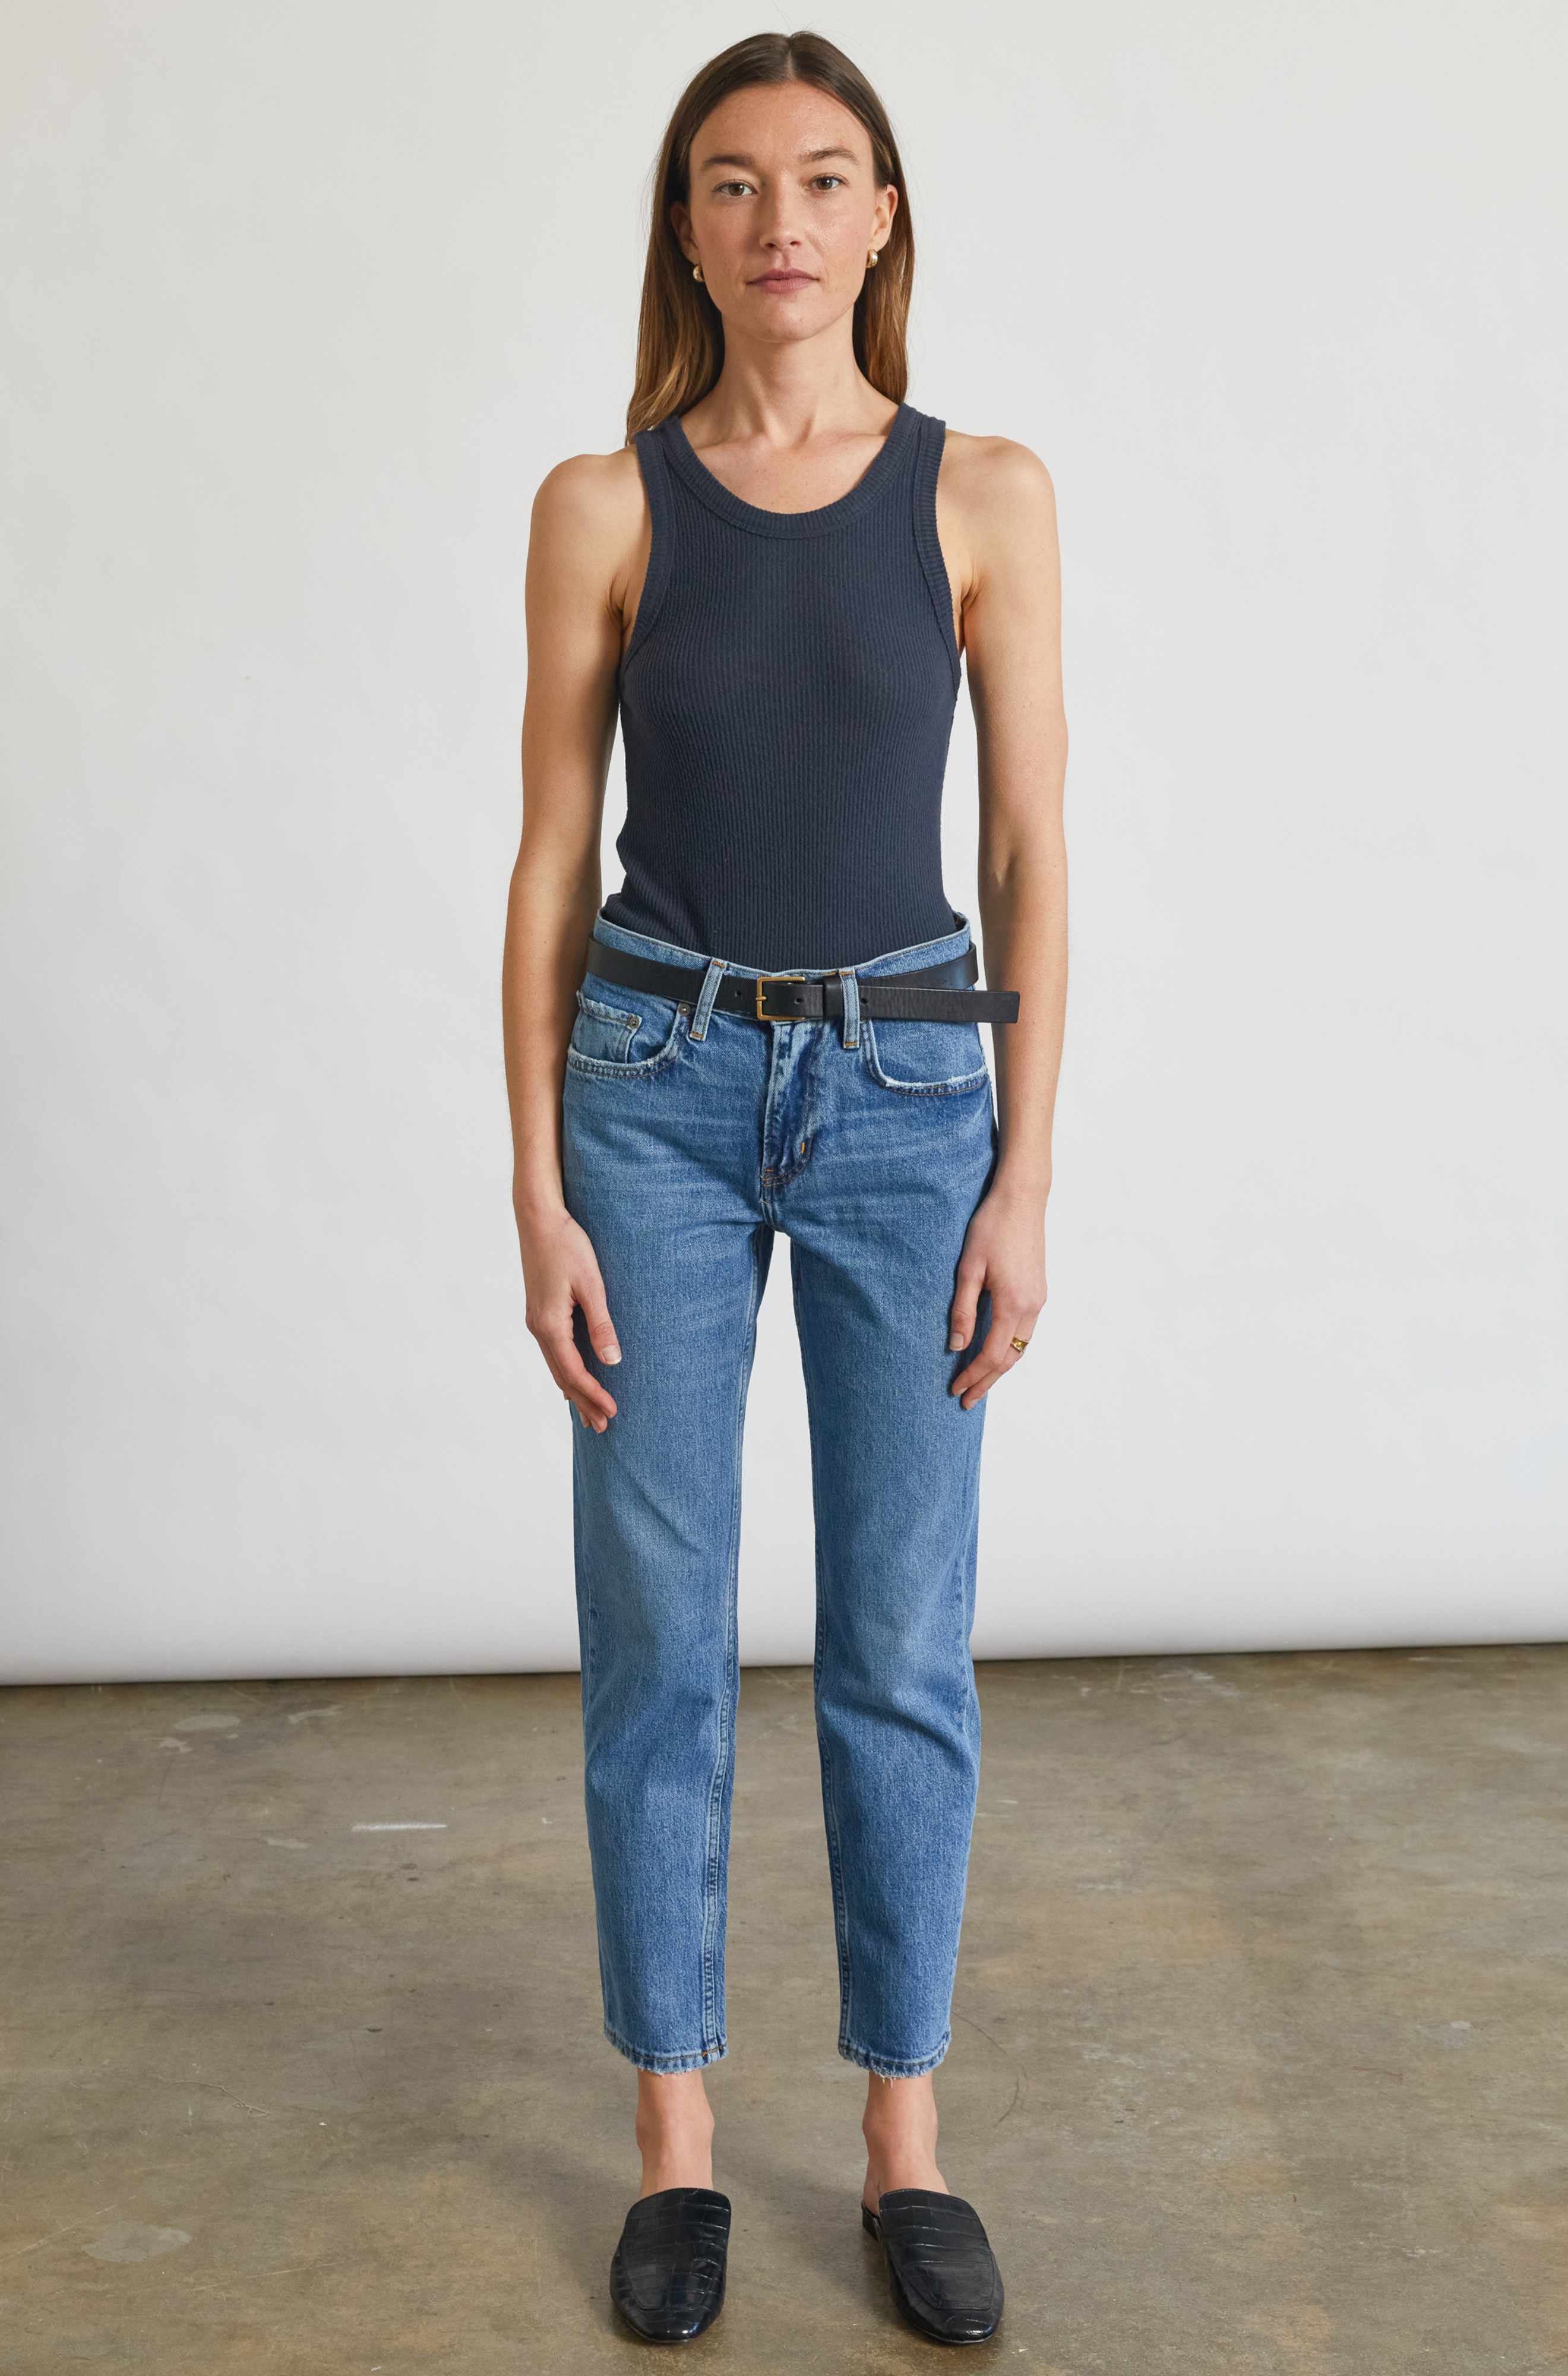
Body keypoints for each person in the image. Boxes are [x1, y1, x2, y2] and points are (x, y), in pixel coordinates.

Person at [502, 28, 1067, 2347]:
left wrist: (1031, 1163)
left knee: (902, 1637)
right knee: (659, 1629)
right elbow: (549, 860)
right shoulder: (603, 504)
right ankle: (677, 2149)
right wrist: (533, 1178)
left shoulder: (987, 494)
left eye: (825, 183)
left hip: (916, 1097)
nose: (781, 226)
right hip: (646, 1081)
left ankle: (905, 2145)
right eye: (734, 187)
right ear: (688, 229)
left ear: (887, 219)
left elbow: (1030, 851)